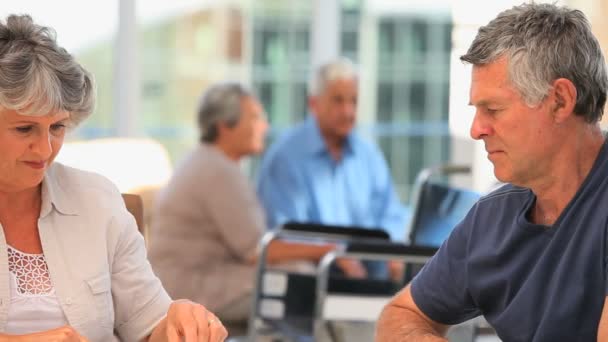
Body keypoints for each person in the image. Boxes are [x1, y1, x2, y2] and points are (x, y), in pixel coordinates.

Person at [376, 3, 608, 341]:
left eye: (493, 109)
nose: (477, 129)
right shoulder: (492, 217)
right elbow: (401, 315)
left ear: (559, 100)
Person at [0, 14, 227, 341]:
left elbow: (149, 325)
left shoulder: (97, 201)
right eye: (25, 129)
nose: (45, 149)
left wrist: (181, 323)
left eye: (58, 127)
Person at [148, 82, 365, 335]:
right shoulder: (217, 171)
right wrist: (330, 251)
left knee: (300, 279)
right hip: (194, 288)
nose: (265, 126)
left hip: (192, 280)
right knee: (308, 291)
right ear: (224, 126)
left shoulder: (207, 162)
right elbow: (257, 250)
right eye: (255, 118)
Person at [256, 57, 409, 241]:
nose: (348, 112)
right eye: (338, 101)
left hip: (372, 261)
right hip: (315, 266)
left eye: (354, 101)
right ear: (314, 104)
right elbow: (287, 233)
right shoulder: (285, 157)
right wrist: (334, 253)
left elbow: (392, 215)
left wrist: (390, 252)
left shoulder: (368, 155)